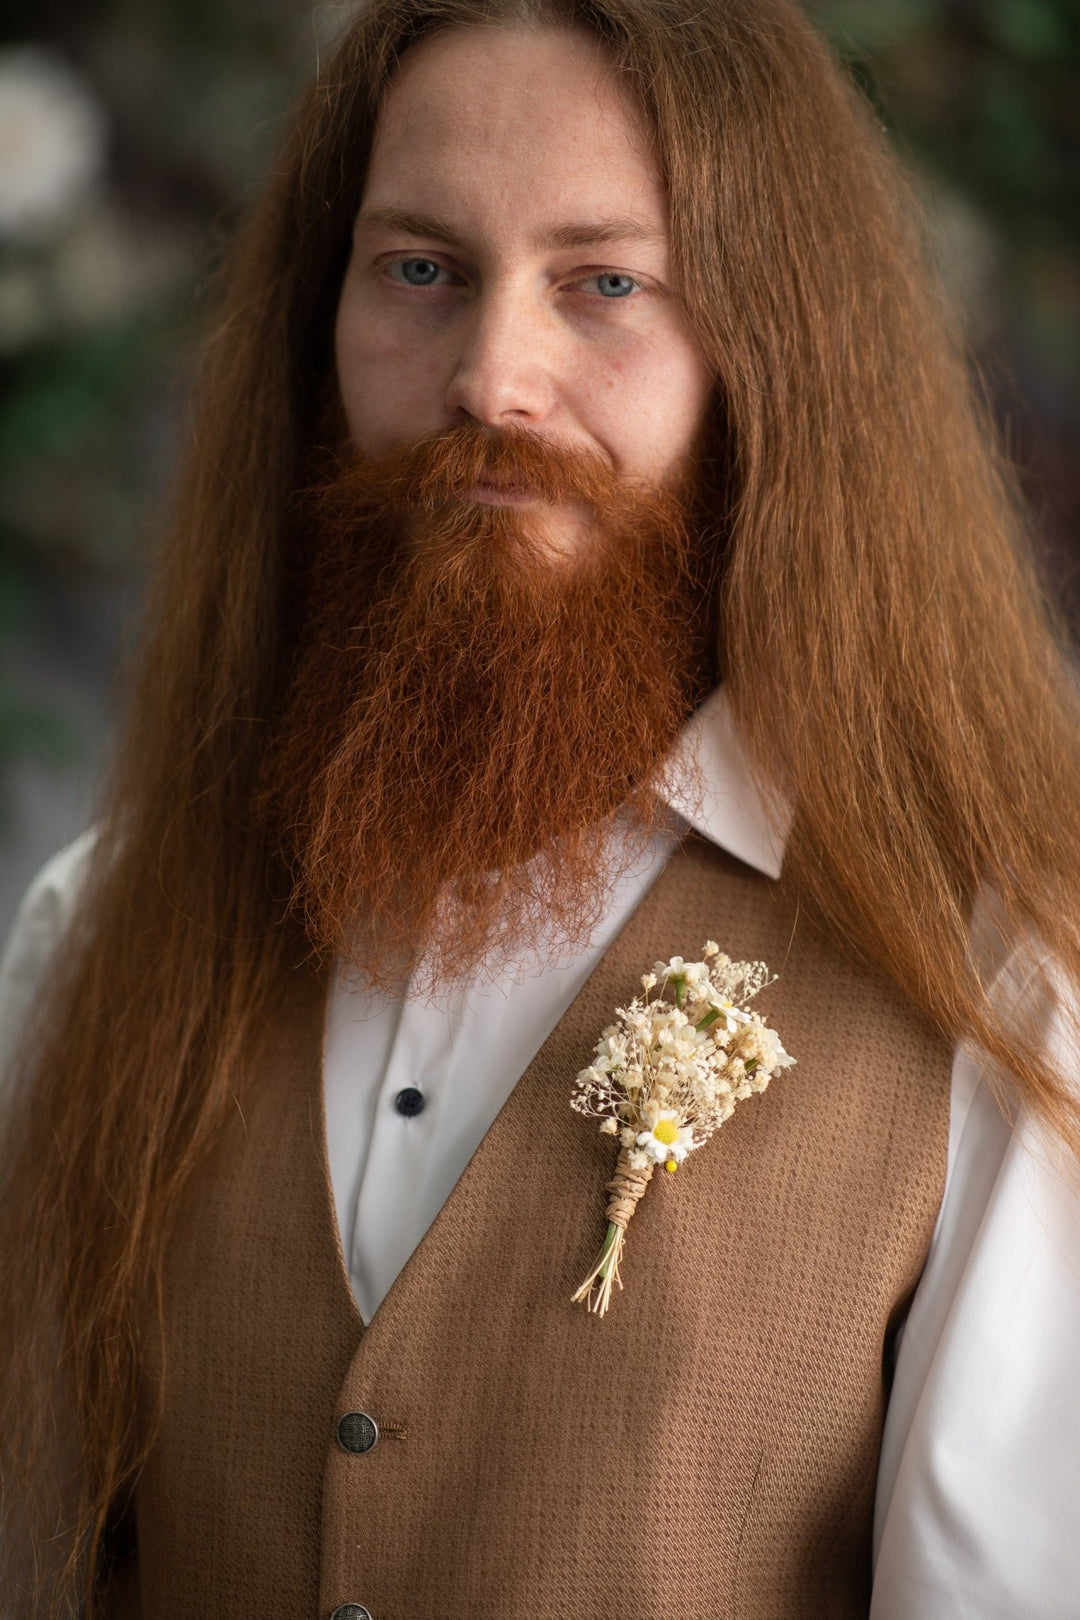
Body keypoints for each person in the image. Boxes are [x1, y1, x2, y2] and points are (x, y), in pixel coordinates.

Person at [2, 0, 1079, 1615]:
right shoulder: (98, 928)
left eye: (607, 283)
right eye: (420, 269)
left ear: (774, 354)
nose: (491, 379)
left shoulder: (992, 991)